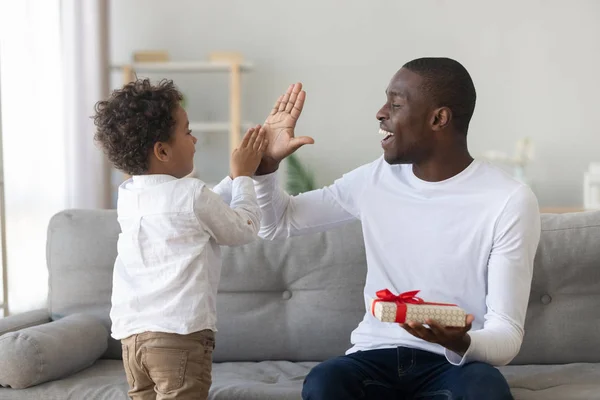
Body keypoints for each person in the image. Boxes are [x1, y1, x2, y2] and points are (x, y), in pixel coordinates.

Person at [251, 58, 541, 399]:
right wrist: (267, 165)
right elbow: (276, 223)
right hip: (374, 357)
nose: (380, 112)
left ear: (438, 118)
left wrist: (460, 340)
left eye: (396, 103)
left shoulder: (508, 199)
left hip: (454, 365)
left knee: (486, 390)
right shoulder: (374, 180)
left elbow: (506, 333)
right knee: (324, 381)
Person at [93, 78, 267, 400]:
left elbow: (192, 212)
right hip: (179, 336)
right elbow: (243, 229)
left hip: (132, 339)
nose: (195, 138)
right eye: (187, 131)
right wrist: (243, 178)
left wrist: (230, 179)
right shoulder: (191, 194)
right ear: (162, 150)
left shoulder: (129, 197)